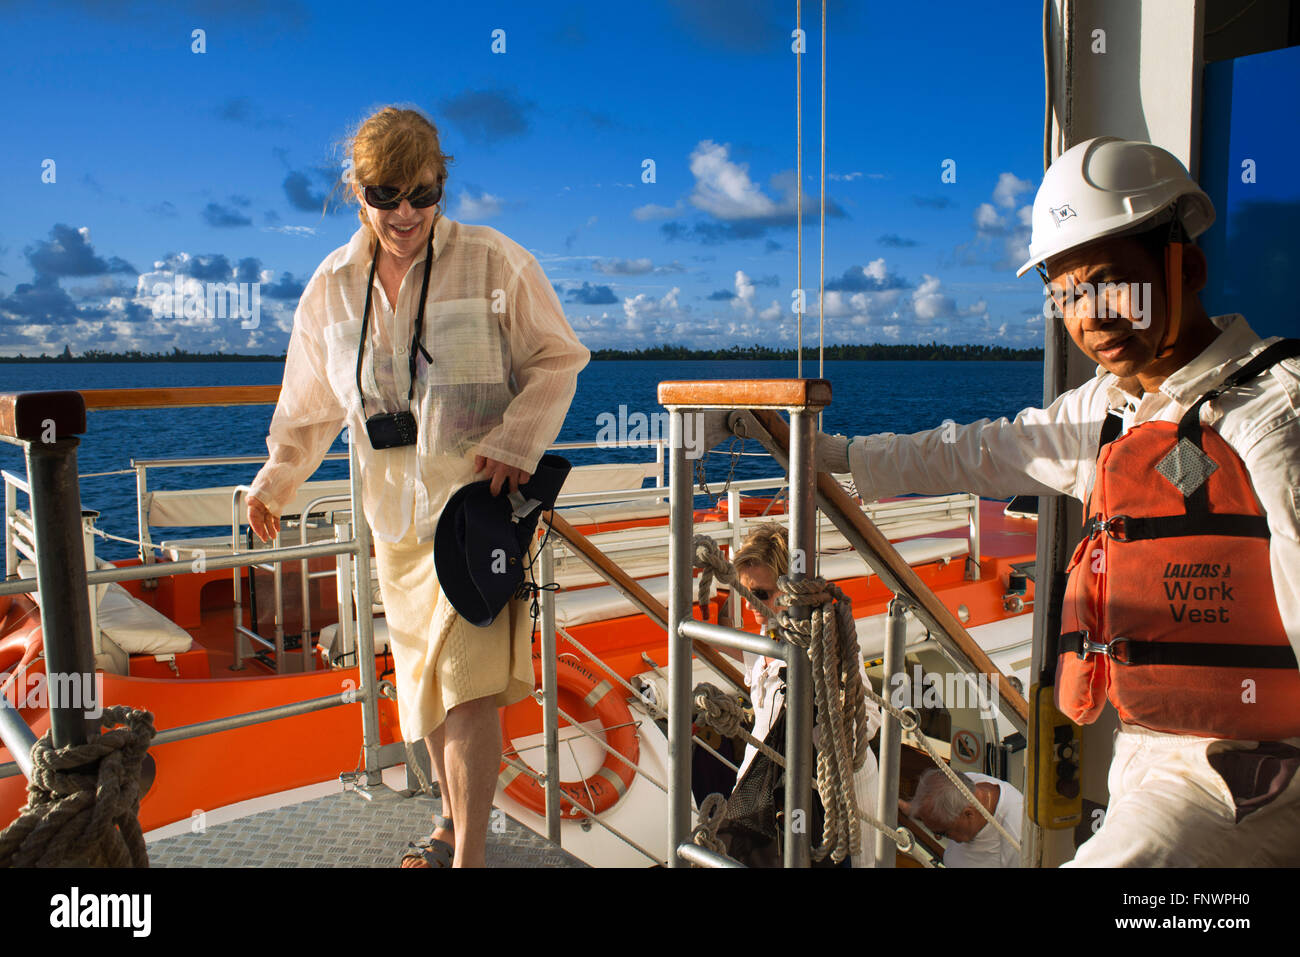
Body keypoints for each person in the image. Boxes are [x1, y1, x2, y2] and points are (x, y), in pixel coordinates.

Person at [812, 136, 1300, 866]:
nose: (1090, 315)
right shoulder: (1110, 410)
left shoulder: (1273, 417)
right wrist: (828, 456)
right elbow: (974, 449)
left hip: (1247, 777)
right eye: (1067, 295)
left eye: (1110, 284)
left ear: (1187, 268)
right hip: (1139, 763)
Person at [245, 106, 589, 868]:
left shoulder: (496, 262)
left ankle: (466, 855)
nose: (405, 213)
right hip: (394, 528)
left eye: (423, 195)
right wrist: (274, 482)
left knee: (464, 688)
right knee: (425, 687)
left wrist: (515, 440)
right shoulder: (333, 287)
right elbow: (308, 405)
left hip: (472, 517)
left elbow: (559, 358)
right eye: (385, 194)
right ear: (355, 191)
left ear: (444, 185)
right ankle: (445, 821)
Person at [720, 522, 882, 867]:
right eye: (746, 593)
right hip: (767, 788)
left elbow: (867, 720)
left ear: (791, 589)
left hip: (832, 795)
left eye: (761, 594)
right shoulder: (768, 634)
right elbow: (751, 661)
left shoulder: (827, 642)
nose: (751, 604)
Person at [901, 768, 1023, 868]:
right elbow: (930, 809)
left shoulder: (1015, 832)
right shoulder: (959, 786)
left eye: (943, 833)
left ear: (968, 814)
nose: (937, 838)